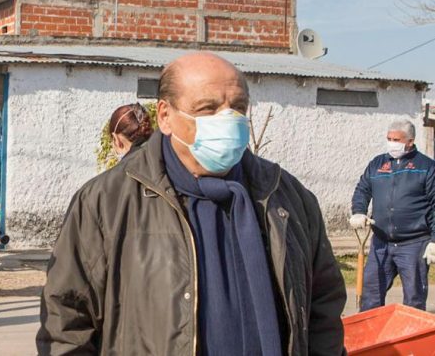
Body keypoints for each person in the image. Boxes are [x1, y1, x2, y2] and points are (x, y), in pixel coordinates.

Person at [37, 52, 346, 355]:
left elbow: (324, 307)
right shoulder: (106, 202)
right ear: (165, 116)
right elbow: (66, 322)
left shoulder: (284, 196)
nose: (227, 119)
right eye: (208, 108)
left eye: (238, 107)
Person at [350, 120, 435, 311]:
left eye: (396, 140)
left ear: (410, 141)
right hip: (381, 242)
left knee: (414, 299)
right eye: (389, 138)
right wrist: (358, 212)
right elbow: (363, 189)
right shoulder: (377, 164)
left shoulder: (427, 167)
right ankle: (371, 329)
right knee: (370, 295)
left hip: (414, 244)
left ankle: (410, 330)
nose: (391, 143)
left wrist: (434, 240)